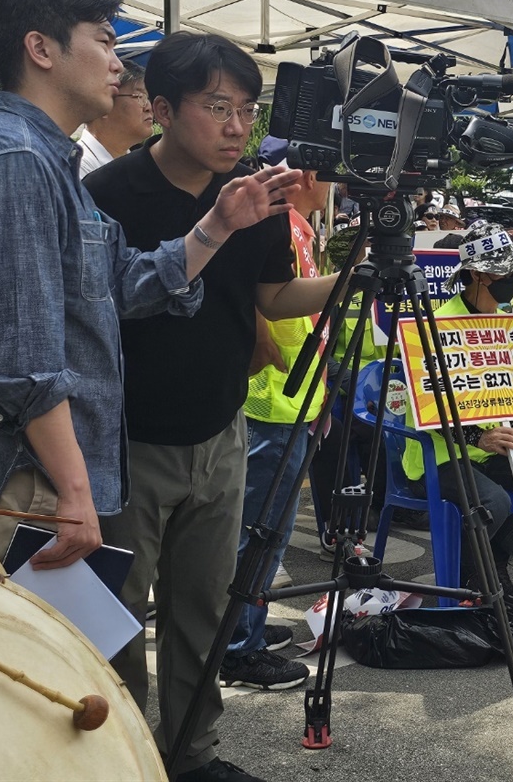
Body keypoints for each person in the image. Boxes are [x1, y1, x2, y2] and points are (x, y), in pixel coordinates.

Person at [85, 31, 342, 782]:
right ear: (162, 110)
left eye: (247, 110)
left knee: (205, 610)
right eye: (217, 107)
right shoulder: (108, 195)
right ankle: (123, 758)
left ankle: (194, 755)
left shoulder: (260, 197)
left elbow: (270, 297)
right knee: (118, 617)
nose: (237, 127)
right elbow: (101, 311)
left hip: (221, 432)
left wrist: (353, 276)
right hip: (128, 442)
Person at [0, 0, 299, 565]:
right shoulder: (17, 160)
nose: (117, 64)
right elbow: (25, 358)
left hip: (60, 470)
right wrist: (75, 492)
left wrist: (218, 224)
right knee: (44, 656)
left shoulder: (48, 161)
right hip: (28, 478)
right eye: (102, 40)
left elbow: (121, 281)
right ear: (40, 48)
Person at [396, 224, 513, 606]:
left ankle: (494, 561)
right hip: (439, 453)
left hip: (493, 448)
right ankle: (466, 578)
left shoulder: (510, 323)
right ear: (476, 275)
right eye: (504, 273)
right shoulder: (436, 326)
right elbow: (432, 407)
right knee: (493, 501)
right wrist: (478, 438)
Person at [218, 166, 337, 693]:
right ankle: (238, 648)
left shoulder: (303, 228)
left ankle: (246, 625)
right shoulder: (273, 223)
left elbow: (310, 318)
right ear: (307, 175)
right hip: (273, 401)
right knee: (258, 530)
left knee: (273, 530)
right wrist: (262, 348)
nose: (339, 184)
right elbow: (256, 301)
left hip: (298, 397)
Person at [77, 60, 152, 176]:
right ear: (103, 105)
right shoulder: (80, 167)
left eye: (147, 98)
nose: (149, 107)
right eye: (140, 96)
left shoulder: (137, 164)